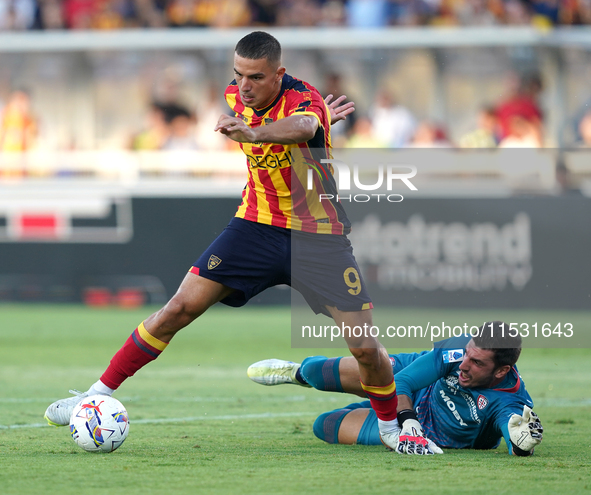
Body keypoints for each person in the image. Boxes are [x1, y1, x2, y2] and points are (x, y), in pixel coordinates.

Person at [44, 31, 400, 450]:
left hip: (318, 236)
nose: (244, 86)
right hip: (255, 224)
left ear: (279, 75)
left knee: (363, 347)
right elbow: (302, 128)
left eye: (255, 77)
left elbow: (303, 124)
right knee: (177, 308)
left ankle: (394, 429)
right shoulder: (236, 97)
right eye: (238, 75)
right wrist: (302, 126)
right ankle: (95, 395)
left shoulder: (304, 100)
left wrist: (267, 130)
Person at [247, 321, 544, 456]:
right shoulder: (458, 351)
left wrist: (522, 443)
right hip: (410, 384)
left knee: (324, 425)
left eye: (477, 362)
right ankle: (298, 373)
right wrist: (406, 418)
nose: (464, 364)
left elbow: (514, 434)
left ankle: (370, 410)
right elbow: (402, 382)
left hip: (424, 434)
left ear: (502, 371)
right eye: (466, 353)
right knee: (315, 371)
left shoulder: (512, 402)